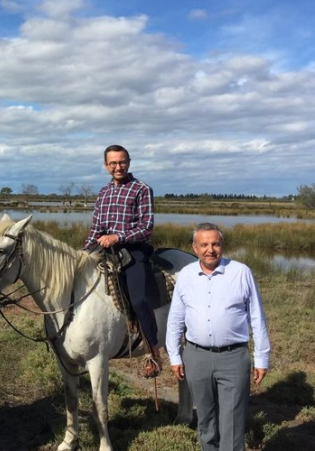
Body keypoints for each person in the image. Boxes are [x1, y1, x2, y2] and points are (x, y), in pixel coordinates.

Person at [166, 222, 271, 451]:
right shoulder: (185, 275)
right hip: (196, 356)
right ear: (195, 248)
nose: (210, 249)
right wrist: (174, 355)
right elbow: (175, 319)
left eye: (215, 244)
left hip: (233, 358)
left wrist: (262, 358)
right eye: (204, 244)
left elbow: (257, 317)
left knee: (233, 423)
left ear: (222, 245)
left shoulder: (241, 272)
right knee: (205, 420)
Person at [82, 144, 159, 377]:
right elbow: (96, 229)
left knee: (139, 299)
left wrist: (118, 237)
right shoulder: (103, 193)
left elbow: (146, 228)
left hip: (133, 250)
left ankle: (152, 353)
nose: (118, 166)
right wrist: (84, 253)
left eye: (122, 162)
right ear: (105, 166)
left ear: (129, 162)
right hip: (105, 250)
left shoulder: (141, 189)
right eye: (113, 163)